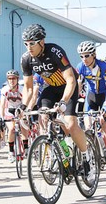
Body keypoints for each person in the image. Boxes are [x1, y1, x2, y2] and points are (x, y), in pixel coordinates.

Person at [20, 24, 92, 180]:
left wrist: (64, 102)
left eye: (32, 43)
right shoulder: (26, 59)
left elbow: (71, 80)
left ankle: (86, 159)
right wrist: (23, 106)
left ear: (42, 41)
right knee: (44, 117)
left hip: (68, 88)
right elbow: (29, 89)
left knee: (71, 124)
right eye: (26, 43)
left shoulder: (55, 52)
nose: (29, 47)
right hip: (51, 89)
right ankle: (59, 151)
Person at [76, 41, 106, 168]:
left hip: (105, 96)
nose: (84, 59)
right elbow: (78, 86)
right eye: (81, 56)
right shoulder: (81, 67)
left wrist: (105, 106)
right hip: (91, 97)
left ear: (94, 55)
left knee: (105, 125)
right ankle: (94, 153)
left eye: (87, 55)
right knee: (88, 127)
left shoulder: (104, 66)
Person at [0, 69, 29, 163]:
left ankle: (26, 148)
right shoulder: (4, 90)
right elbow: (2, 104)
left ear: (17, 79)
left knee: (24, 126)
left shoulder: (21, 89)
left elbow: (25, 102)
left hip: (20, 109)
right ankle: (11, 152)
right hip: (10, 110)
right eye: (10, 79)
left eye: (14, 78)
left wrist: (23, 115)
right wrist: (1, 117)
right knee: (11, 129)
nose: (12, 80)